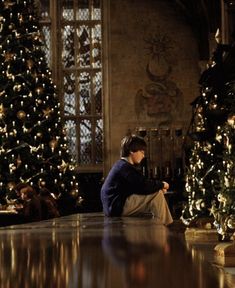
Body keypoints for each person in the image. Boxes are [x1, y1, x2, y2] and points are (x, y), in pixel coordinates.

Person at [100, 134, 173, 226]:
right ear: (131, 151)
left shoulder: (121, 165)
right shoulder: (125, 167)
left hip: (114, 206)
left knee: (156, 193)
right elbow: (143, 185)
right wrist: (162, 184)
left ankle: (160, 227)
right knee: (157, 195)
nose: (143, 155)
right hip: (116, 207)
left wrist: (156, 187)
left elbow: (138, 186)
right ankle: (166, 226)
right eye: (141, 151)